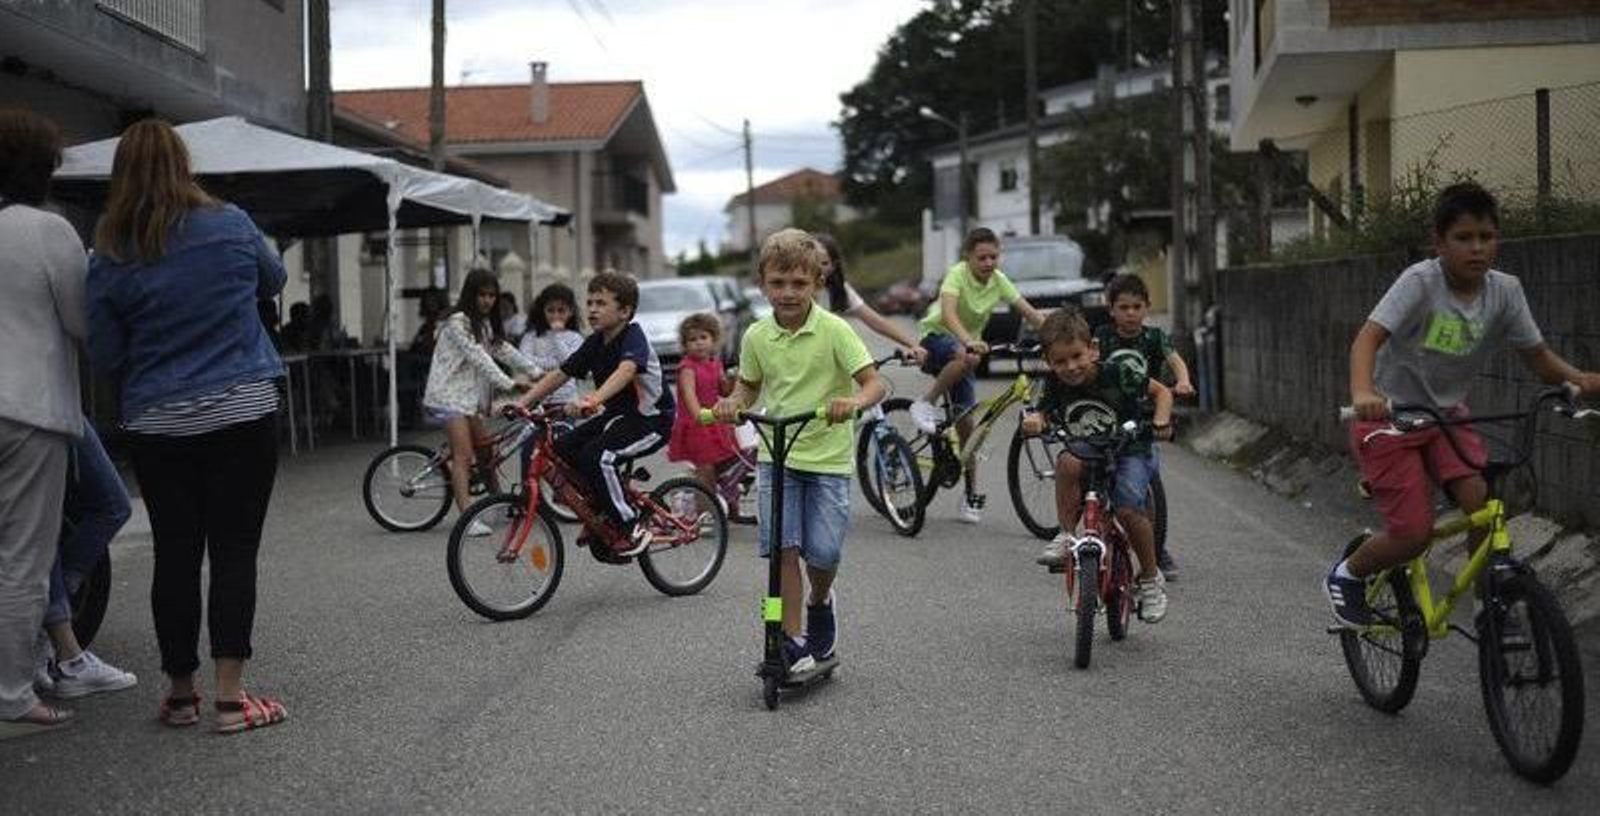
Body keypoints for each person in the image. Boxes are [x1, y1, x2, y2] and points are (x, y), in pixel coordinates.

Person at [87, 118, 287, 734]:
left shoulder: (112, 253)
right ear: (184, 164)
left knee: (175, 555)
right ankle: (231, 698)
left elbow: (103, 353)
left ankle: (180, 694)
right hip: (242, 408)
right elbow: (274, 280)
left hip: (158, 419)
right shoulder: (230, 223)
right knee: (234, 551)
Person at [1326, 182, 1600, 626]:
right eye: (1464, 237)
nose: (1477, 248)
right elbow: (1368, 338)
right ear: (1439, 242)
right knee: (1413, 535)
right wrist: (1363, 394)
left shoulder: (1505, 291)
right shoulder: (1420, 282)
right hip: (1390, 418)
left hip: (1447, 418)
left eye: (1487, 237)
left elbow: (1538, 358)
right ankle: (1348, 573)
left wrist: (1579, 381)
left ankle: (1485, 601)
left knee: (1484, 507)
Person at [713, 229, 886, 672]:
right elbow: (748, 386)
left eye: (799, 284)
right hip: (778, 457)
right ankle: (789, 640)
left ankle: (821, 600)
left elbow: (874, 383)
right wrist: (734, 403)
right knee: (782, 552)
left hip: (826, 460)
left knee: (823, 555)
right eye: (778, 283)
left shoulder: (835, 331)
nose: (788, 293)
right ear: (762, 284)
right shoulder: (756, 335)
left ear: (817, 284)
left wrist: (853, 402)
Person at [0, 108, 83, 738]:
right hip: (29, 407)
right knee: (24, 557)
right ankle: (12, 692)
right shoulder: (45, 231)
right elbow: (84, 322)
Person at [1022, 308, 1172, 623]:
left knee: (1129, 508)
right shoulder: (1055, 384)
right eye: (1060, 362)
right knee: (1066, 461)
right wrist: (1036, 420)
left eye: (1077, 356)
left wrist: (1160, 420)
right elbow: (1042, 412)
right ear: (1049, 362)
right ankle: (1066, 534)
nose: (1070, 367)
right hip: (1088, 448)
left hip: (1130, 447)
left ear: (1093, 349)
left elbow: (1162, 393)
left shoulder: (1117, 372)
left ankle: (1149, 578)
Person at [518, 272, 675, 554]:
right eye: (589, 302)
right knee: (563, 446)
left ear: (624, 311)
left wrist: (593, 398)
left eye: (601, 303)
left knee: (599, 457)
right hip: (617, 417)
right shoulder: (596, 341)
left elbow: (626, 371)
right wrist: (523, 403)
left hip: (651, 421)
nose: (591, 309)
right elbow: (561, 373)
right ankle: (604, 507)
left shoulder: (633, 337)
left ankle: (630, 526)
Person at [910, 227, 1048, 523]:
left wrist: (1056, 335)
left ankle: (971, 494)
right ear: (968, 257)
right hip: (936, 339)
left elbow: (1029, 312)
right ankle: (926, 401)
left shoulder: (998, 280)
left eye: (993, 257)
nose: (988, 263)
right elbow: (948, 314)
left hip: (966, 353)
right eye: (982, 257)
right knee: (965, 355)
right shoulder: (957, 274)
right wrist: (967, 340)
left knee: (967, 428)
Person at [1093, 272, 1192, 579]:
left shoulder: (1153, 337)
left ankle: (1156, 549)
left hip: (1148, 410)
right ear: (1111, 309)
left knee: (1140, 483)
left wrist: (1184, 381)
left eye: (1137, 307)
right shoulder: (1103, 335)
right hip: (1110, 414)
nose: (1131, 313)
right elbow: (1092, 362)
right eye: (1123, 307)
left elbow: (1174, 361)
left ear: (1147, 307)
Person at [422, 268, 537, 530]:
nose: (487, 300)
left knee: (486, 450)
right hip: (447, 396)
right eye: (482, 294)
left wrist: (538, 372)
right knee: (464, 456)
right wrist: (510, 383)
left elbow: (503, 350)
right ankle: (467, 519)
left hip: (466, 398)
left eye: (492, 295)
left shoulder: (483, 323)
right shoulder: (457, 322)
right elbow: (479, 357)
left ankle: (497, 503)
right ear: (470, 294)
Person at [34, 421, 138, 700]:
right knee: (45, 518)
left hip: (53, 404)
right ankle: (65, 651)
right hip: (32, 405)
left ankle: (45, 625)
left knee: (108, 507)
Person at [813, 232, 927, 364]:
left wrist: (913, 345)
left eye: (824, 263)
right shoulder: (791, 290)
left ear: (834, 266)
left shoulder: (839, 289)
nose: (818, 268)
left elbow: (875, 320)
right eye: (813, 261)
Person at [668, 313, 742, 495]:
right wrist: (699, 416)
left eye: (703, 337)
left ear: (714, 340)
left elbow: (723, 391)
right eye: (692, 340)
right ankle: (707, 510)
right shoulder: (687, 368)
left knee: (729, 463)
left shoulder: (715, 363)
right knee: (705, 471)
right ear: (685, 345)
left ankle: (731, 506)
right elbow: (689, 394)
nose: (699, 343)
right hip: (697, 424)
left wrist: (732, 378)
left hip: (715, 421)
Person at [517, 283, 585, 411]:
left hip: (566, 402)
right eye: (550, 310)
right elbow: (524, 362)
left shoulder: (575, 338)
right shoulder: (531, 336)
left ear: (570, 311)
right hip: (536, 402)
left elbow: (571, 365)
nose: (556, 315)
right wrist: (555, 365)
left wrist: (556, 336)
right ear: (543, 311)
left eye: (561, 310)